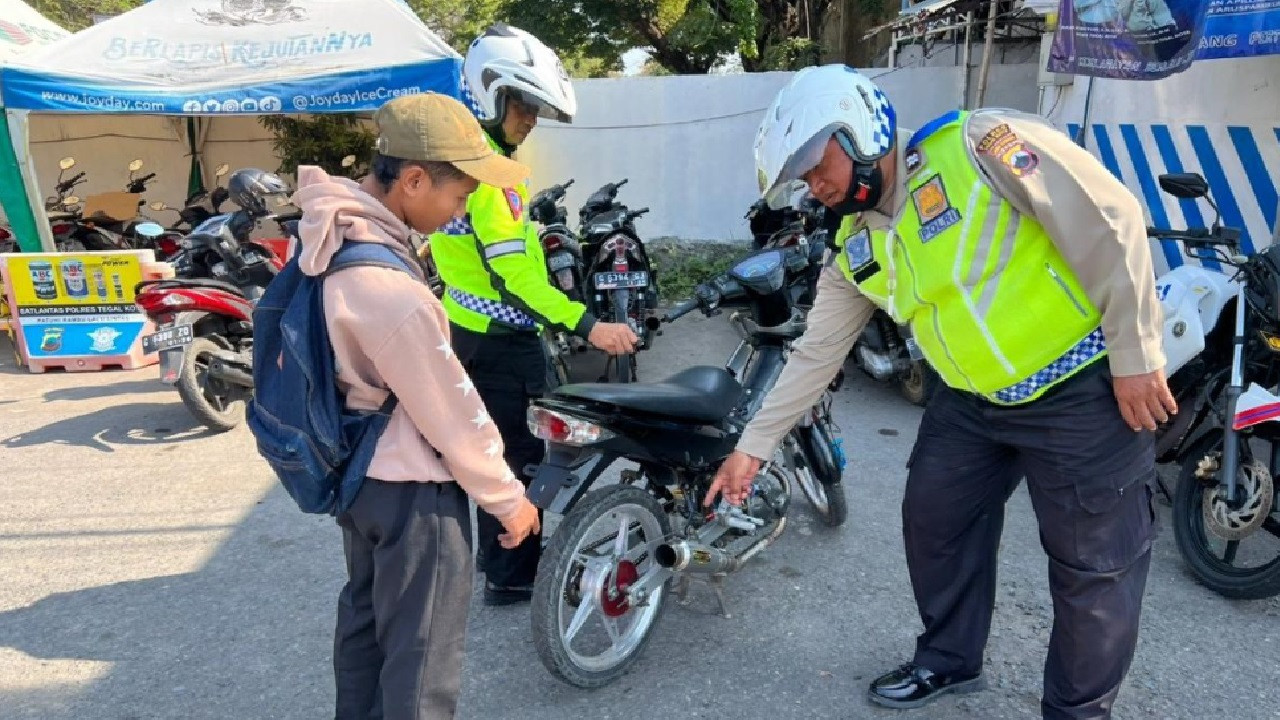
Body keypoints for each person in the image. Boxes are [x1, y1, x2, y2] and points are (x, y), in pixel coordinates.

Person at [708, 65, 1174, 719]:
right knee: (936, 521)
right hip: (971, 403)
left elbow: (1108, 216)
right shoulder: (856, 244)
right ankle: (949, 660)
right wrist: (752, 447)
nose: (815, 186)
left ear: (861, 128)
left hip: (1079, 387)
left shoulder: (983, 145)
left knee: (1094, 570)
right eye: (803, 179)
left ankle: (1076, 712)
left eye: (818, 164)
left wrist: (1134, 354)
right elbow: (816, 352)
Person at [291, 92, 542, 719]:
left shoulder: (330, 239)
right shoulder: (389, 290)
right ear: (412, 179)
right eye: (458, 197)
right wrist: (508, 500)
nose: (461, 210)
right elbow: (449, 408)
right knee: (421, 659)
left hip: (357, 476)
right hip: (412, 493)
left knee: (367, 629)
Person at [429, 22, 638, 606]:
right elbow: (514, 279)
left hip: (468, 331)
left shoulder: (464, 162)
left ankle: (496, 559)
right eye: (525, 106)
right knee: (521, 461)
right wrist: (588, 323)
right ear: (491, 95)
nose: (533, 120)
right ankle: (513, 575)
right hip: (502, 342)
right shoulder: (490, 180)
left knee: (487, 450)